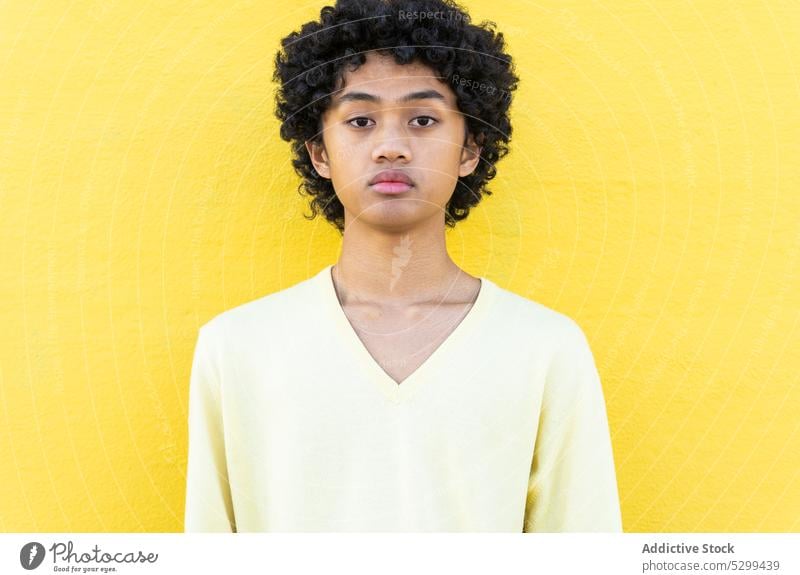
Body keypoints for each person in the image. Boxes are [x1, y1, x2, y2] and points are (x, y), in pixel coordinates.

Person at [183, 0, 623, 532]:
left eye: (423, 119)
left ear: (470, 149)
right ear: (320, 152)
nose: (391, 148)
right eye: (361, 120)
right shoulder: (236, 347)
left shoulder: (545, 347)